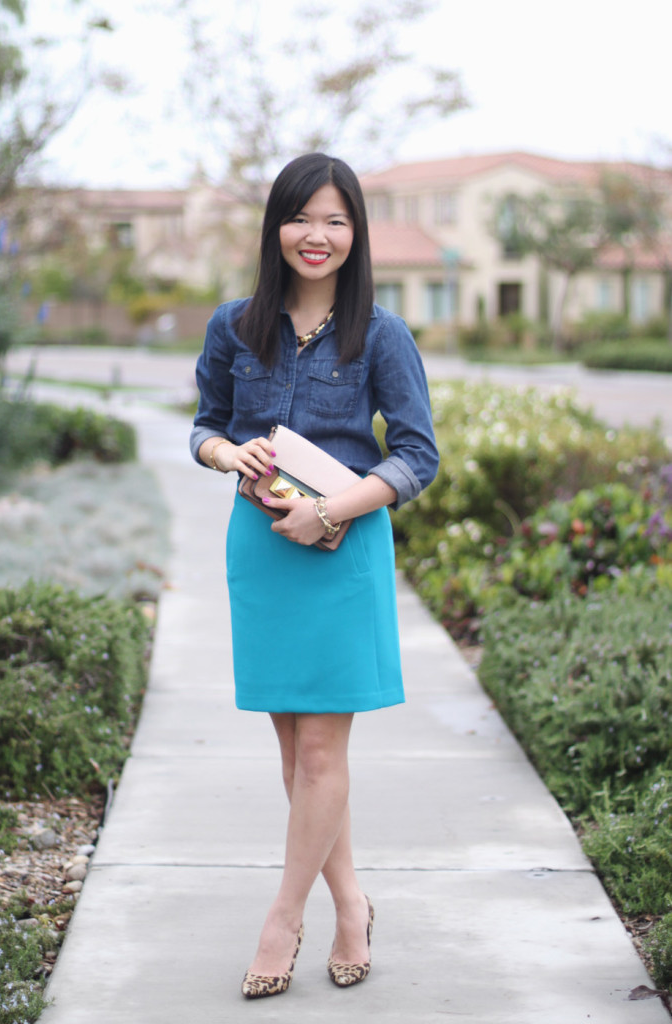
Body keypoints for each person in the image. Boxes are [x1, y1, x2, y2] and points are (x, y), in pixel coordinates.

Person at [189, 152, 439, 999]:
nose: (318, 235)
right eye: (303, 218)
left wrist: (331, 510)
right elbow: (204, 427)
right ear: (277, 227)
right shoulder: (234, 326)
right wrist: (229, 450)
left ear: (356, 232)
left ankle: (282, 918)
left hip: (341, 547)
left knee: (324, 748)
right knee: (296, 754)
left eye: (336, 220)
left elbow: (416, 456)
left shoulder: (382, 333)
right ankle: (352, 903)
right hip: (261, 549)